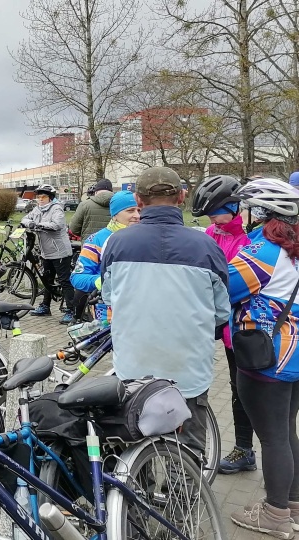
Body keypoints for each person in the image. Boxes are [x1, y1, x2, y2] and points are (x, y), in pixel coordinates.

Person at [100, 166, 229, 457]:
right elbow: (222, 311)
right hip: (189, 370)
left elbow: (109, 296)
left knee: (132, 444)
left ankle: (135, 499)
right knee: (188, 454)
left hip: (133, 368)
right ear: (182, 197)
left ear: (139, 200)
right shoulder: (207, 246)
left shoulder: (116, 243)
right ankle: (185, 498)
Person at [226, 179, 299, 538]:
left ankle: (275, 514)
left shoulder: (263, 251)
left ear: (262, 211)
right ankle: (293, 502)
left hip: (268, 355)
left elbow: (225, 288)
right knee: (285, 431)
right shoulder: (294, 247)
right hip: (295, 354)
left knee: (271, 437)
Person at [191, 175, 255, 475]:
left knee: (239, 389)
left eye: (215, 212)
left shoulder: (248, 242)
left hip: (237, 328)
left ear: (234, 207)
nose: (212, 219)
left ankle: (244, 448)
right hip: (210, 322)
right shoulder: (210, 233)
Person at [69, 190, 139, 322]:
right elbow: (77, 277)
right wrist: (102, 281)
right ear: (114, 215)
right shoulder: (97, 240)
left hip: (138, 312)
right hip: (107, 315)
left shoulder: (145, 237)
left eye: (139, 210)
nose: (137, 215)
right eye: (130, 211)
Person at [21, 184, 75, 324]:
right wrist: (30, 223)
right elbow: (25, 219)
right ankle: (45, 306)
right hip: (46, 252)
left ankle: (71, 310)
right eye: (38, 197)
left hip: (60, 252)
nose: (40, 199)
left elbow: (57, 225)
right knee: (47, 280)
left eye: (43, 197)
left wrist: (38, 225)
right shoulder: (37, 209)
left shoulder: (56, 209)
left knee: (64, 281)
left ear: (50, 198)